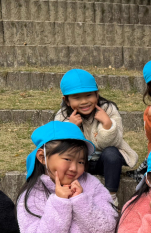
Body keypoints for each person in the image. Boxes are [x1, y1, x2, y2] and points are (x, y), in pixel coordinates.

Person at [54, 68, 138, 206]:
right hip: (79, 163)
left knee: (111, 153)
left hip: (104, 161)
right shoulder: (63, 116)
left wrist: (107, 124)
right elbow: (61, 147)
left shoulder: (108, 109)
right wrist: (71, 128)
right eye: (76, 98)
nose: (84, 101)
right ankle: (71, 194)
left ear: (97, 94)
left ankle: (111, 198)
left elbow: (112, 143)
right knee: (64, 159)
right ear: (67, 101)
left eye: (89, 95)